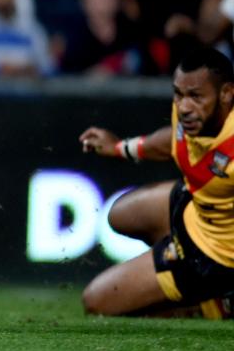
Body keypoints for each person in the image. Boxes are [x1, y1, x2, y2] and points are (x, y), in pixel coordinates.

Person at [79, 46, 234, 318]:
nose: (184, 107)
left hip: (214, 258)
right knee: (120, 214)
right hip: (195, 211)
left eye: (196, 97)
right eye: (178, 94)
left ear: (226, 94)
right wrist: (121, 148)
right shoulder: (191, 114)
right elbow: (173, 139)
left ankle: (212, 301)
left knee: (96, 301)